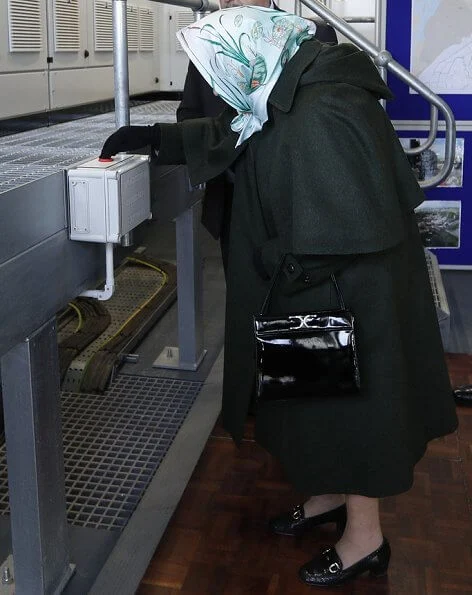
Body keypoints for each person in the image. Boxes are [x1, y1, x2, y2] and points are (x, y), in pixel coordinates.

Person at [100, 7, 458, 587]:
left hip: (345, 296)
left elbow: (346, 229)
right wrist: (158, 140)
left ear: (253, 56)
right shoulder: (288, 85)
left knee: (353, 414)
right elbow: (239, 128)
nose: (221, 85)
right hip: (314, 289)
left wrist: (274, 265)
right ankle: (330, 496)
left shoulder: (325, 106)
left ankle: (366, 539)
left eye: (224, 71)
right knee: (312, 410)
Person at [176, 0, 338, 273]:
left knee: (302, 302)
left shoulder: (310, 33)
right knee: (242, 301)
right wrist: (222, 155)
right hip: (233, 202)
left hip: (300, 204)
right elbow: (189, 114)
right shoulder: (206, 40)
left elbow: (328, 121)